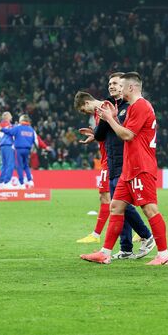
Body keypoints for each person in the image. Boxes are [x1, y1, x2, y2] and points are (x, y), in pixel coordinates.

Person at [81, 72, 168, 266]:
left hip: (141, 166)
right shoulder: (133, 108)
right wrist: (113, 119)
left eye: (121, 86)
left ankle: (163, 254)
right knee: (116, 207)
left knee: (150, 209)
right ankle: (105, 253)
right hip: (129, 168)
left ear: (130, 87)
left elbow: (127, 135)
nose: (118, 89)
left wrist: (110, 118)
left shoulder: (140, 106)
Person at [73, 91, 112, 245]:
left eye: (83, 110)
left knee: (106, 196)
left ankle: (96, 235)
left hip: (110, 160)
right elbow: (105, 134)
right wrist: (94, 135)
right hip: (106, 158)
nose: (84, 113)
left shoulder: (104, 109)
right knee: (119, 197)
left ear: (87, 103)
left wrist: (96, 134)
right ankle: (141, 231)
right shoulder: (98, 113)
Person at [0, 114, 50, 188]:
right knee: (26, 165)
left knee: (19, 166)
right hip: (27, 150)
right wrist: (45, 146)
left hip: (18, 149)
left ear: (21, 120)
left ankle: (21, 184)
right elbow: (37, 139)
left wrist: (1, 129)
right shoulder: (31, 129)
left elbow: (10, 132)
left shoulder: (18, 128)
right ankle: (30, 181)